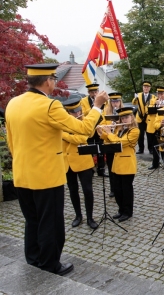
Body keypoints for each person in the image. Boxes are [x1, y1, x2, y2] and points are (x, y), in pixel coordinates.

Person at [5, 63, 108, 276]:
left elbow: (11, 142)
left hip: (22, 175)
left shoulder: (13, 103)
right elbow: (84, 129)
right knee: (50, 223)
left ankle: (33, 260)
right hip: (46, 177)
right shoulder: (50, 106)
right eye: (53, 79)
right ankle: (50, 264)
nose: (54, 82)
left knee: (32, 221)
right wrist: (97, 106)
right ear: (48, 81)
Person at [98, 107, 139, 222]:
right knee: (117, 189)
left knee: (126, 189)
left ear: (132, 117)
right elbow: (110, 140)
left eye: (127, 117)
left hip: (127, 164)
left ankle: (127, 212)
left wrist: (109, 133)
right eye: (122, 118)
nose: (124, 120)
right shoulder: (119, 130)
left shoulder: (135, 131)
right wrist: (102, 132)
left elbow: (120, 143)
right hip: (117, 163)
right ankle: (121, 209)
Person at [62, 98, 98, 230]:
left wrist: (65, 135)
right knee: (73, 190)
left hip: (83, 160)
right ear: (67, 113)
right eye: (73, 113)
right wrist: (70, 133)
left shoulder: (85, 122)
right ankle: (78, 215)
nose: (77, 115)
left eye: (78, 111)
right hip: (68, 162)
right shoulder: (62, 123)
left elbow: (84, 137)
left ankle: (90, 217)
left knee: (87, 190)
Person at [101, 92, 124, 197]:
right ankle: (113, 189)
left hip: (119, 142)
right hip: (109, 143)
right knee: (110, 167)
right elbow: (101, 127)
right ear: (110, 102)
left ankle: (120, 187)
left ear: (120, 102)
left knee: (119, 165)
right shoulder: (105, 112)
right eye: (113, 101)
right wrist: (108, 128)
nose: (115, 104)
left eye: (117, 101)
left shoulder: (123, 113)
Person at [81, 83, 107, 177]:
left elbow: (105, 112)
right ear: (89, 93)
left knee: (101, 149)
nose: (94, 93)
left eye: (96, 91)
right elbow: (83, 113)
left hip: (100, 128)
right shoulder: (83, 101)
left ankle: (101, 169)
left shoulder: (102, 100)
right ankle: (90, 169)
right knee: (90, 149)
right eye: (92, 92)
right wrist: (94, 107)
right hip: (90, 128)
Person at [132, 81, 156, 154]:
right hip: (139, 117)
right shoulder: (138, 95)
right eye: (144, 87)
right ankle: (140, 149)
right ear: (143, 87)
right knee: (140, 135)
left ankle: (150, 149)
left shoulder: (153, 96)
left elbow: (155, 105)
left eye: (147, 87)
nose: (146, 88)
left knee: (149, 134)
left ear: (149, 88)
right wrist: (135, 98)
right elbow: (134, 103)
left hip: (148, 118)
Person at [148, 86, 164, 170]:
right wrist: (156, 105)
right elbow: (149, 111)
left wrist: (163, 105)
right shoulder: (153, 100)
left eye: (162, 94)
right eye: (158, 93)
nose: (160, 95)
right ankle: (155, 163)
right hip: (155, 127)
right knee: (155, 146)